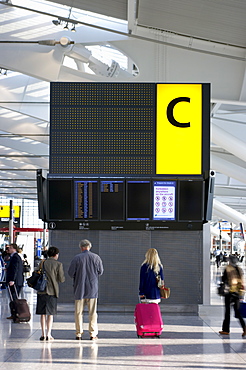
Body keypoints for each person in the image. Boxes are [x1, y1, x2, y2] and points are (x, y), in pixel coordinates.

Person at [68, 239, 104, 341]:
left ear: (81, 247)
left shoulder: (76, 258)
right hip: (92, 289)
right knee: (92, 312)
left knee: (78, 313)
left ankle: (78, 334)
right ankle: (92, 334)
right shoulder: (96, 257)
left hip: (79, 289)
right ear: (89, 247)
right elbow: (100, 271)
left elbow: (70, 273)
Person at [36, 246, 65, 341]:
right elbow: (61, 279)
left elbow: (36, 272)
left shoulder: (42, 263)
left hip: (41, 290)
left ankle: (42, 334)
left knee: (42, 313)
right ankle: (49, 334)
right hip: (52, 291)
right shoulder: (58, 264)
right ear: (56, 255)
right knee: (50, 314)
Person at [219, 254, 246, 337]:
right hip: (237, 293)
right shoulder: (239, 269)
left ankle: (226, 330)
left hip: (229, 293)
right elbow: (241, 281)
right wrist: (241, 294)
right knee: (238, 312)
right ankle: (244, 328)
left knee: (227, 312)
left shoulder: (227, 268)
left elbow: (223, 279)